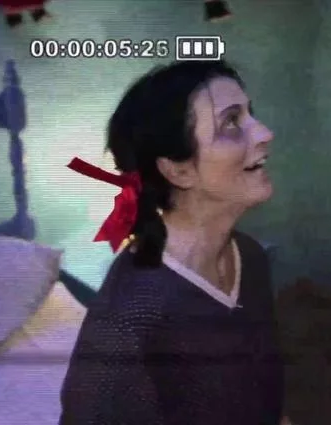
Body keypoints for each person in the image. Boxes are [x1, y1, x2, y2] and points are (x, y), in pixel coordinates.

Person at [59, 61, 286, 425]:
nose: (265, 133)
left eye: (250, 114)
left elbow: (263, 386)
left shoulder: (251, 257)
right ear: (178, 170)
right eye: (231, 121)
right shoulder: (129, 319)